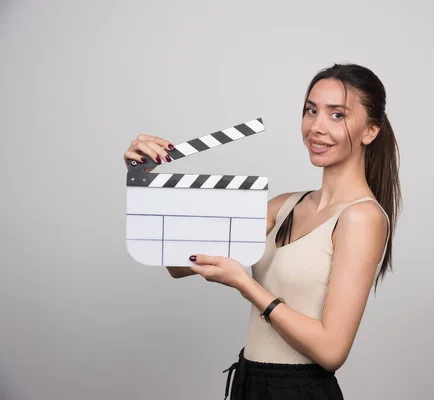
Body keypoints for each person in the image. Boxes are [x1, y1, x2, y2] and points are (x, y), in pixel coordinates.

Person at [123, 63, 402, 399]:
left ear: (370, 131)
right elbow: (180, 264)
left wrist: (245, 284)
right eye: (310, 111)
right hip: (251, 383)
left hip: (299, 390)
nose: (316, 126)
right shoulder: (284, 207)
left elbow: (331, 352)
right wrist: (146, 182)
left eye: (337, 115)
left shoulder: (361, 217)